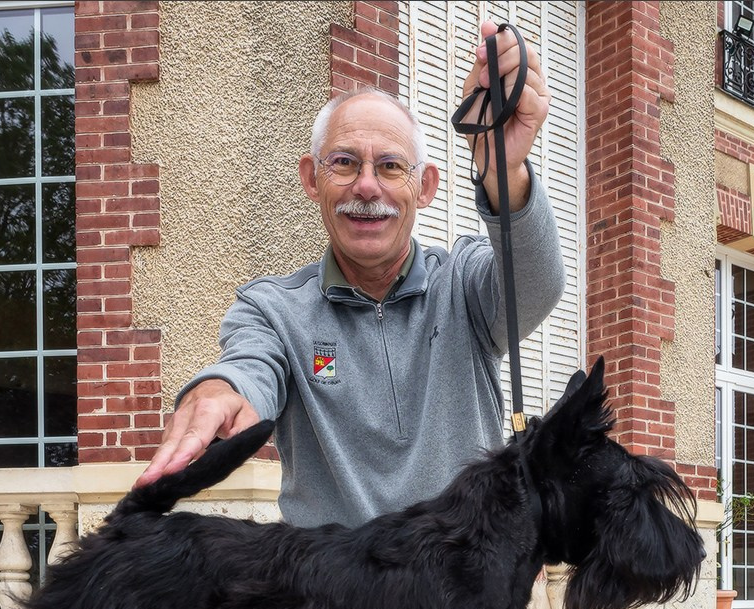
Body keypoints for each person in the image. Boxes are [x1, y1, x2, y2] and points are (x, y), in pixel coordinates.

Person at [135, 21, 565, 530]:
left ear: (424, 186)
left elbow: (537, 284)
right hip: (331, 598)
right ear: (311, 179)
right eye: (344, 162)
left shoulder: (464, 284)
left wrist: (504, 171)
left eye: (389, 166)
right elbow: (248, 368)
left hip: (465, 594)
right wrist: (218, 392)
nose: (366, 186)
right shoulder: (272, 309)